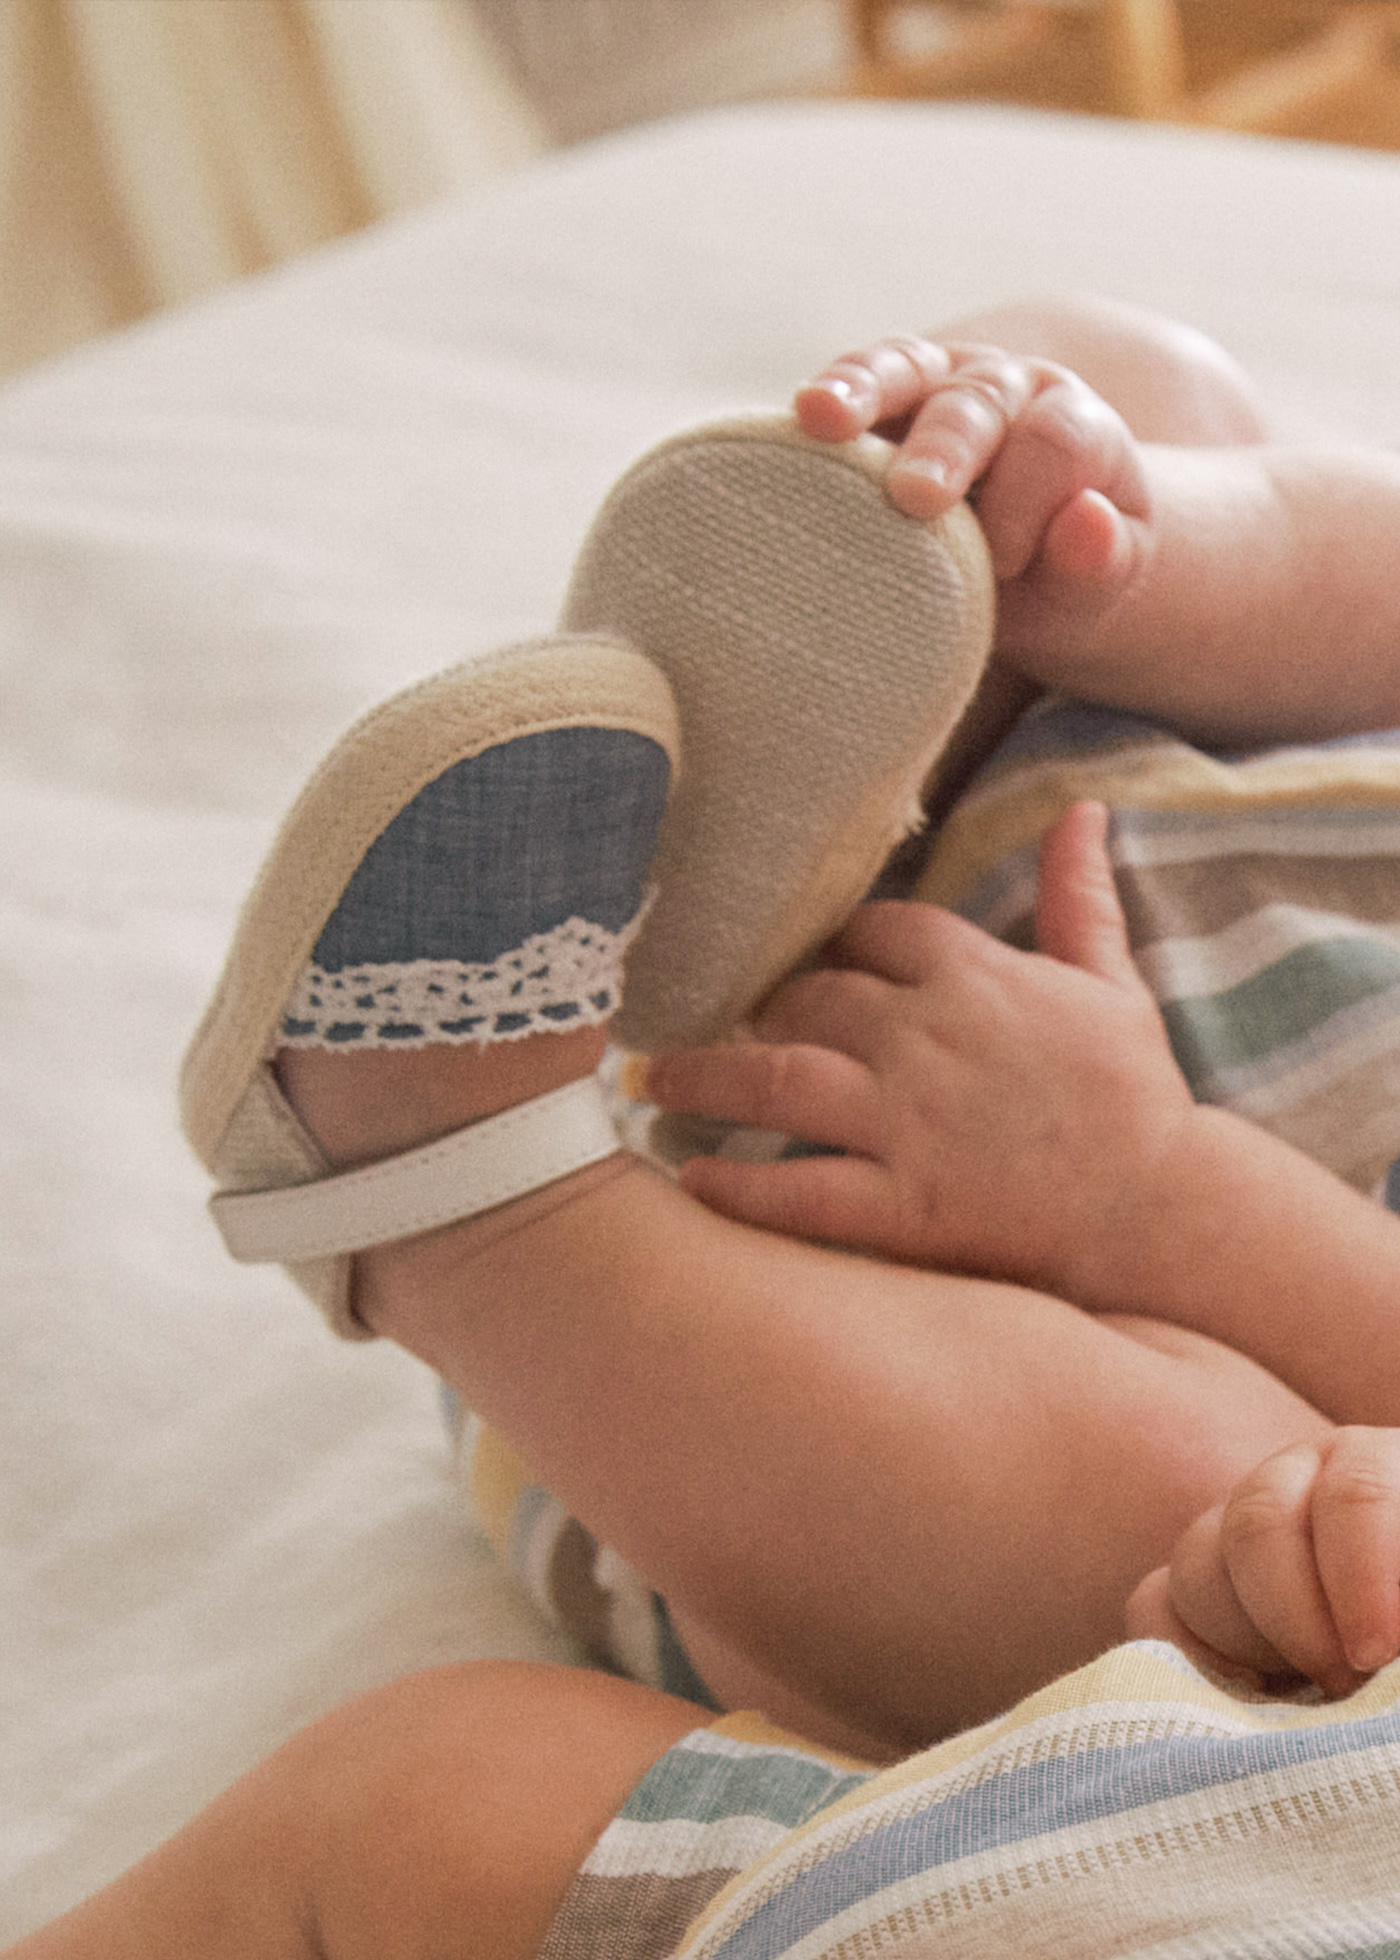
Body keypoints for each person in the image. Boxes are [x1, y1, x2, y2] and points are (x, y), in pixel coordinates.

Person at [13, 297, 1400, 1956]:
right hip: (1085, 871)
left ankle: (457, 1193)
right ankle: (911, 663)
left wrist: (1148, 1197)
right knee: (1140, 395)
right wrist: (1117, 543)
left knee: (1226, 1492)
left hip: (843, 1408)